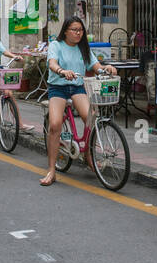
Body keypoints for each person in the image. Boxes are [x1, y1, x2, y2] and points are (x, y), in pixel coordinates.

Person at [40, 16, 119, 187]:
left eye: (81, 30)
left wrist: (106, 68)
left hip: (77, 88)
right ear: (66, 31)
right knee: (55, 124)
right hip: (58, 87)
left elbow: (96, 66)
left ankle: (88, 155)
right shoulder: (56, 45)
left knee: (91, 117)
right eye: (74, 30)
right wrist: (61, 70)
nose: (78, 33)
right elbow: (52, 63)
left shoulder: (84, 48)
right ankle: (51, 170)